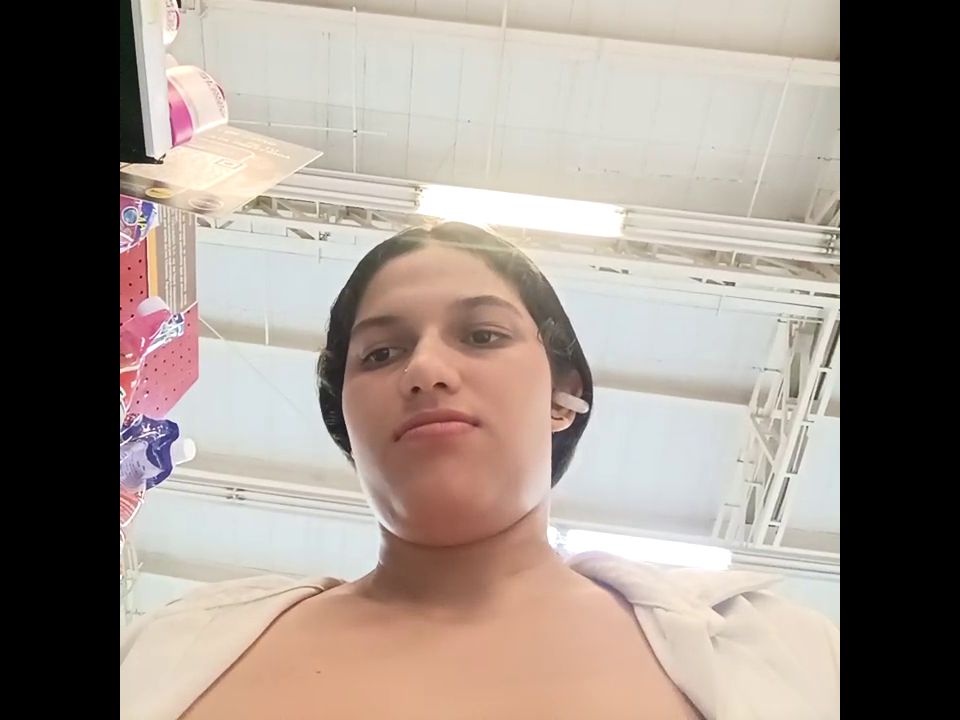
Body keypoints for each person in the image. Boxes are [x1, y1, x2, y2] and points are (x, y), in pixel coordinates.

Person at [121, 222, 840, 719]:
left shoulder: (775, 656)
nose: (426, 369)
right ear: (346, 420)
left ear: (563, 396)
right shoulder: (172, 651)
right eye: (380, 354)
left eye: (483, 335)